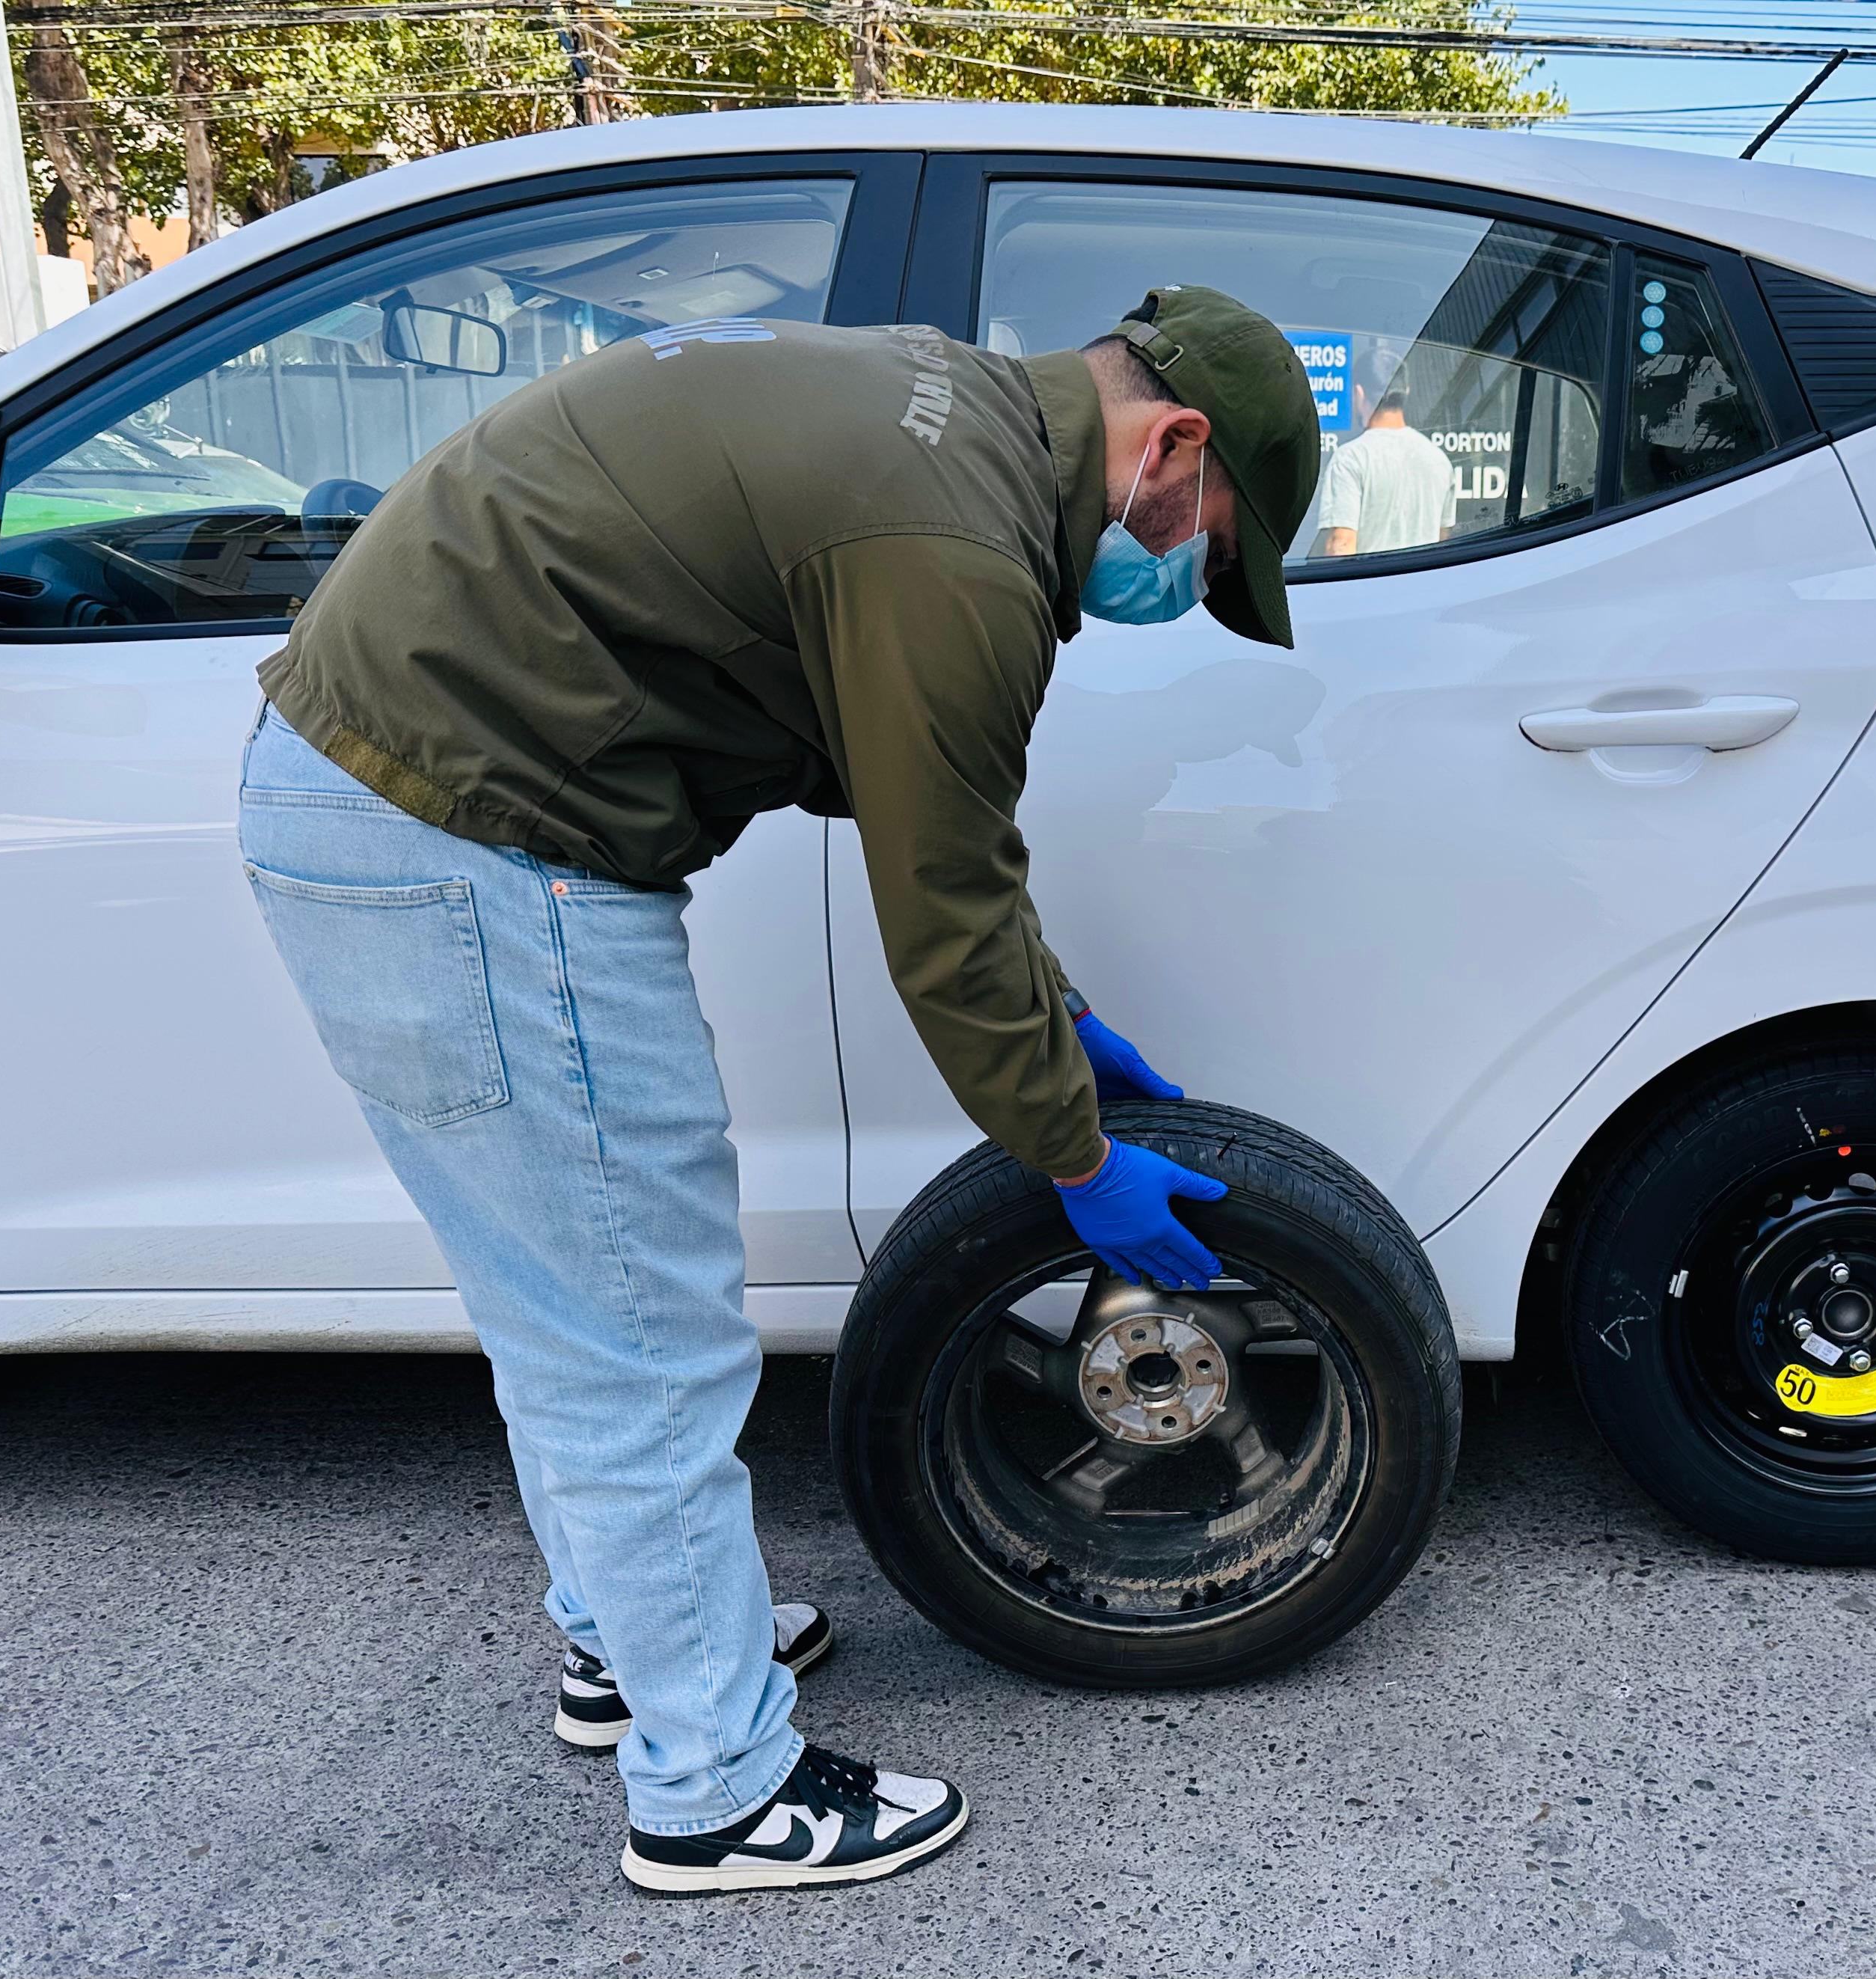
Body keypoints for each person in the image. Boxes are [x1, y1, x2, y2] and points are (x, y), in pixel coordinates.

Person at [235, 286, 1318, 1896]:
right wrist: (1071, 1154)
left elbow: (932, 818)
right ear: (1171, 443)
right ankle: (718, 1789)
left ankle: (636, 1646)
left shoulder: (940, 422)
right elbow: (939, 898)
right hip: (472, 835)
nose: (1184, 577)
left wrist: (1064, 1025)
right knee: (636, 1329)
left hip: (397, 797)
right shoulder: (954, 549)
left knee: (568, 1301)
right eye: (1212, 545)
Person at [1311, 385, 1458, 557]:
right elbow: (1442, 539)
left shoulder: (1351, 458)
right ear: (1407, 391)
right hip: (1423, 582)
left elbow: (1341, 544)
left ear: (1359, 393)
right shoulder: (1438, 460)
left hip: (1369, 581)